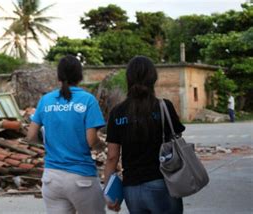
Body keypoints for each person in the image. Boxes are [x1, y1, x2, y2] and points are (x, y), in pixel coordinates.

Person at [104, 56, 185, 214]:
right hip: (163, 183)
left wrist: (109, 193)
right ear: (153, 78)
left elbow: (112, 157)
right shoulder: (164, 107)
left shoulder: (117, 112)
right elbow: (177, 139)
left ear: (128, 78)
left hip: (132, 189)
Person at [27, 55, 106, 214]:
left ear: (59, 76)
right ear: (80, 76)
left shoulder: (46, 100)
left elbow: (30, 137)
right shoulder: (87, 100)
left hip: (51, 178)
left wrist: (52, 143)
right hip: (82, 178)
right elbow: (91, 141)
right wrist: (102, 146)